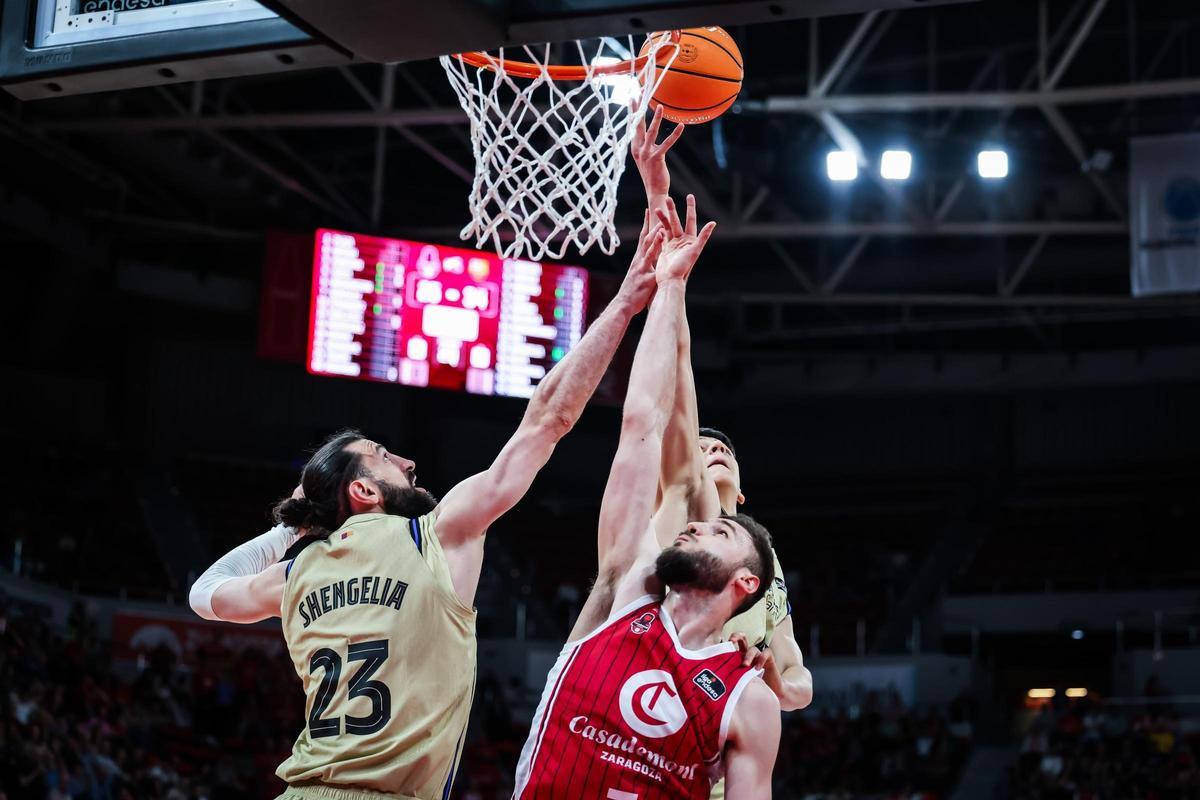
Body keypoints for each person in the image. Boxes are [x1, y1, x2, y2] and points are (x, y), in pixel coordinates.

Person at [186, 215, 669, 800]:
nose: (408, 462)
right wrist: (621, 305)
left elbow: (206, 595)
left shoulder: (294, 574)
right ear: (363, 491)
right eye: (385, 456)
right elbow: (549, 420)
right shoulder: (435, 534)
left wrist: (292, 526)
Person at [513, 196, 781, 799]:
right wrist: (669, 288)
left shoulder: (749, 697)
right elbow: (642, 426)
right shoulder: (623, 590)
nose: (694, 527)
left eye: (718, 531)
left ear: (745, 583)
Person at [630, 107, 814, 713]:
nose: (711, 451)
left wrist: (781, 685)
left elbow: (798, 679)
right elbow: (678, 388)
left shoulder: (765, 564)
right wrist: (672, 281)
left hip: (716, 739)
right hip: (643, 711)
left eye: (723, 449)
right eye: (703, 447)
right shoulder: (685, 505)